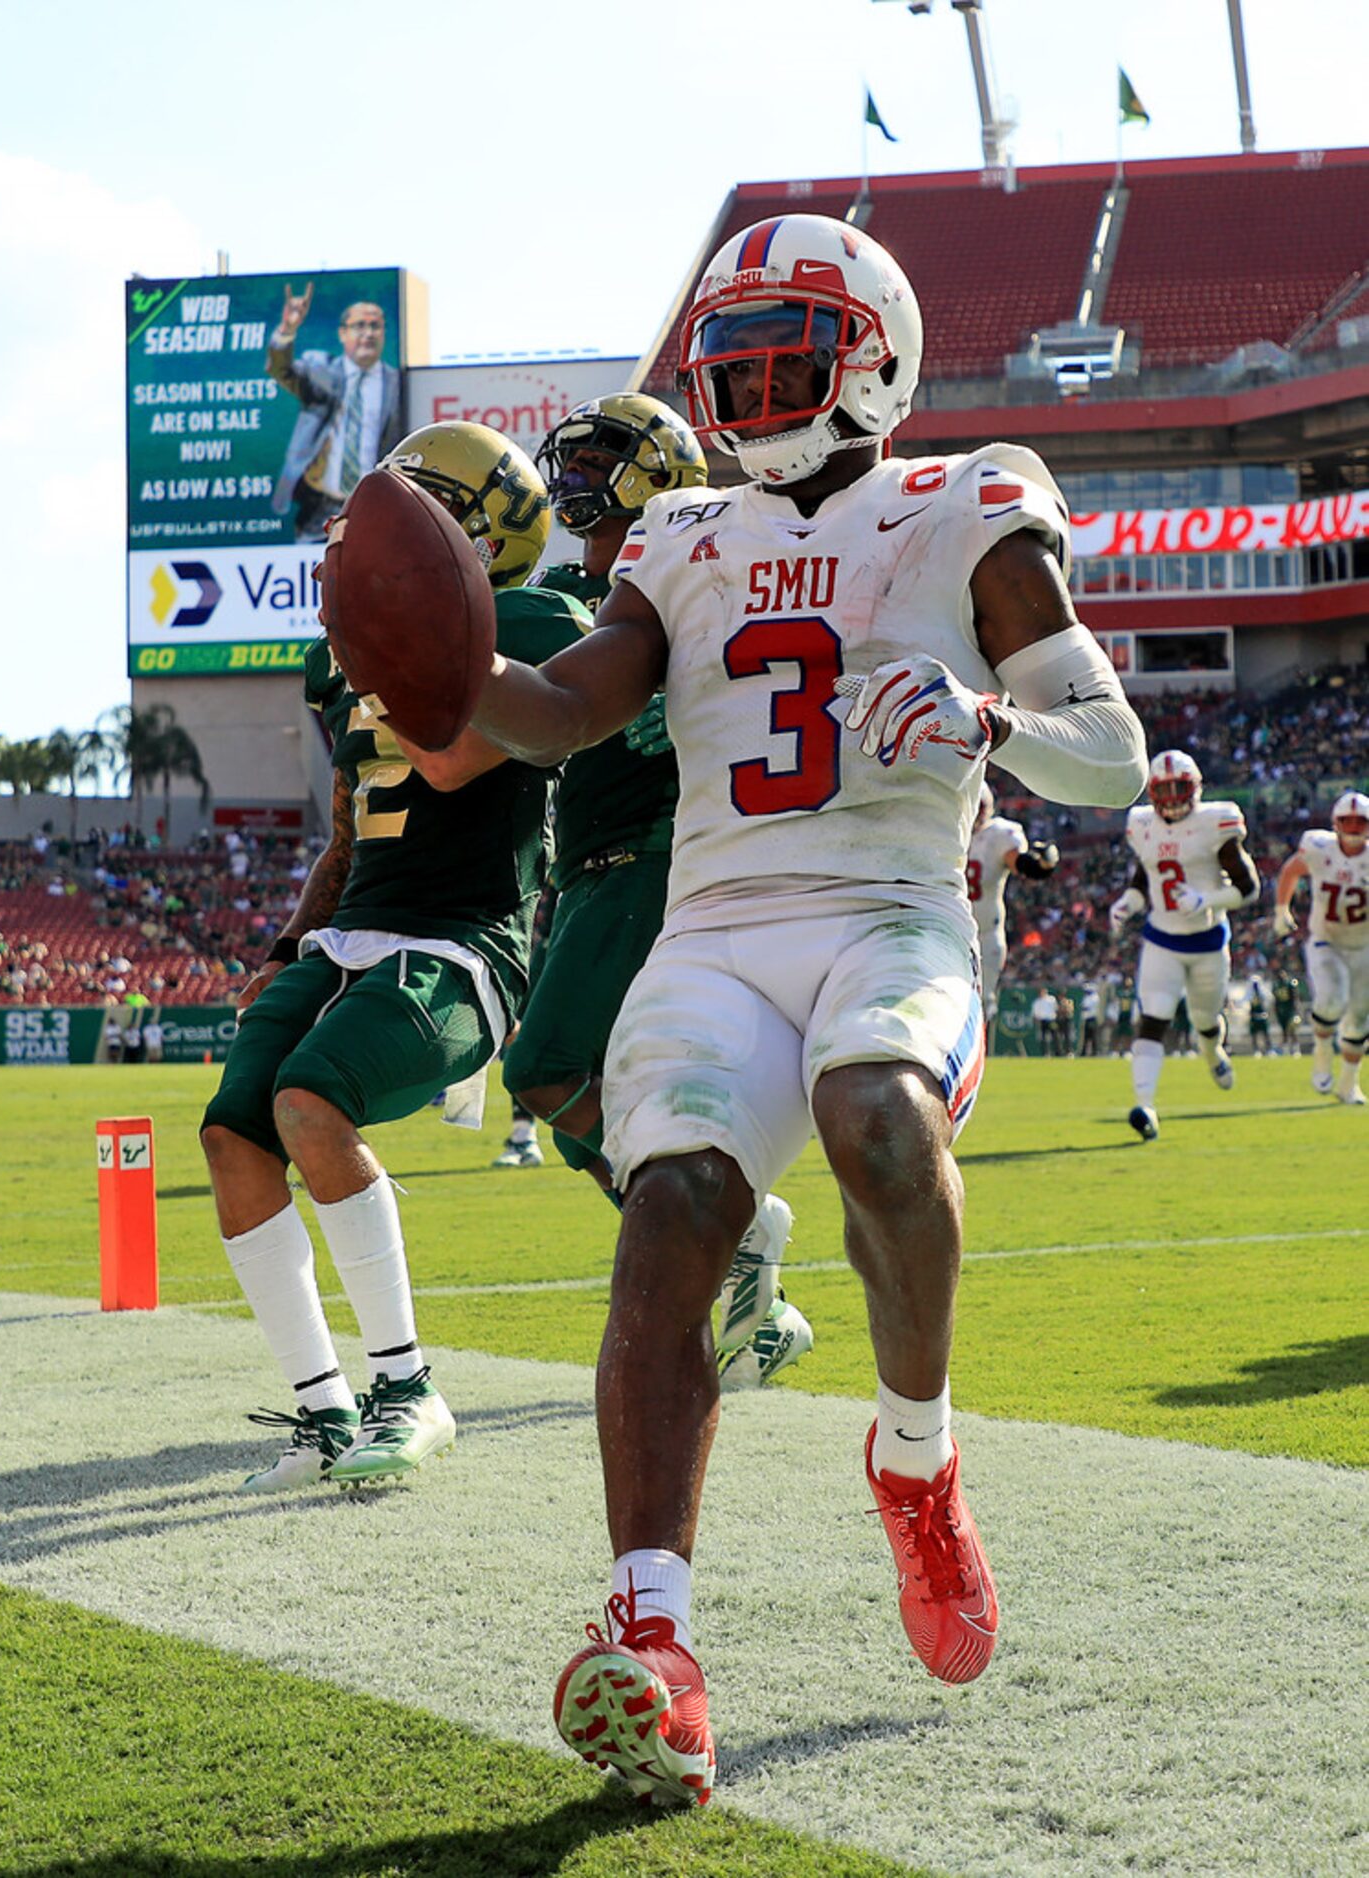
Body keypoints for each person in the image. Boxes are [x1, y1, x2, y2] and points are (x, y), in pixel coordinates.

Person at [457, 213, 1146, 1804]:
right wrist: (439, 674)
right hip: (714, 930)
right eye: (736, 348)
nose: (754, 376)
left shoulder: (964, 501)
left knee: (873, 1118)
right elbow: (565, 711)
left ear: (877, 356)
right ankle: (656, 1638)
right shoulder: (679, 531)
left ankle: (914, 1462)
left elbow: (1103, 748)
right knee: (675, 1207)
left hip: (887, 913)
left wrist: (984, 718)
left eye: (791, 341)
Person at [200, 421, 587, 1492]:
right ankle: (322, 1411)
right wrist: (287, 942)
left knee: (311, 1103)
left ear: (469, 526)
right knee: (232, 1132)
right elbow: (346, 822)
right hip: (352, 928)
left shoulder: (535, 615)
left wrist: (397, 638)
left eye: (406, 508)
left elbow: (456, 761)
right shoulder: (345, 662)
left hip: (466, 937)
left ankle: (407, 1385)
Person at [504, 391, 811, 1386]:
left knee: (546, 1069)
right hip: (591, 868)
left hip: (647, 858)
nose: (576, 480)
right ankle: (752, 1301)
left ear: (658, 474)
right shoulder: (591, 592)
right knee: (583, 1116)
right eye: (575, 463)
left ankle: (740, 1222)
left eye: (602, 462)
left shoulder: (680, 584)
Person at [1110, 750, 1259, 1141]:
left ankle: (1212, 1052)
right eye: (1165, 789)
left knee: (1205, 1021)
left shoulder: (1215, 822)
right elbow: (1146, 878)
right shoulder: (1142, 824)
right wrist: (1129, 902)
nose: (1173, 798)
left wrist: (1206, 900)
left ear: (1196, 789)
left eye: (1180, 788)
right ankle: (1145, 1105)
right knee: (1153, 1016)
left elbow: (1249, 888)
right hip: (1161, 938)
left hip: (1209, 941)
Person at [267, 283, 404, 541]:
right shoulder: (322, 371)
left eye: (375, 326)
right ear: (343, 333)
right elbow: (281, 370)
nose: (368, 334)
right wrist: (288, 329)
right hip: (320, 509)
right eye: (359, 326)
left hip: (376, 510)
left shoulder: (398, 385)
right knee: (313, 577)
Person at [1272, 789, 1369, 1105]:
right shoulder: (1318, 847)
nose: (1354, 829)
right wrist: (1281, 909)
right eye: (1348, 822)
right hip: (1326, 940)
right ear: (1335, 823)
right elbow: (1291, 870)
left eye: (1360, 823)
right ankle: (1323, 1053)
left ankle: (1348, 1085)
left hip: (1364, 946)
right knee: (1330, 999)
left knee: (1359, 1019)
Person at [966, 778, 1060, 1038]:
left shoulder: (998, 834)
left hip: (984, 933)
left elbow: (1021, 864)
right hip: (948, 928)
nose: (974, 814)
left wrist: (1040, 865)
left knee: (979, 1002)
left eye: (978, 807)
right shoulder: (945, 832)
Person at [1273, 966, 1301, 1054]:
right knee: (1284, 1030)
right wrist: (1276, 1010)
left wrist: (1296, 1009)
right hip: (1281, 1011)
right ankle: (1286, 1049)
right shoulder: (1276, 985)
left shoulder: (1290, 984)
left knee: (1292, 1029)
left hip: (1290, 1009)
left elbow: (1295, 997)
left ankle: (1296, 1048)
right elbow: (1276, 999)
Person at [1245, 976, 1272, 1056]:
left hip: (1262, 1016)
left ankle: (1269, 1049)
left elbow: (1269, 999)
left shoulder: (1263, 992)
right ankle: (1256, 1050)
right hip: (1254, 1016)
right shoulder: (1250, 992)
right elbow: (1244, 1001)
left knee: (1266, 1034)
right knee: (1254, 1035)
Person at [1031, 985, 1059, 1056]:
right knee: (1043, 1038)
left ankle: (1057, 1052)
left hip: (1051, 1020)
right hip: (1043, 1021)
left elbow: (1056, 1009)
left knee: (1055, 1037)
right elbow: (1035, 1013)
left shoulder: (1051, 999)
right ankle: (1046, 1053)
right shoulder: (1037, 1002)